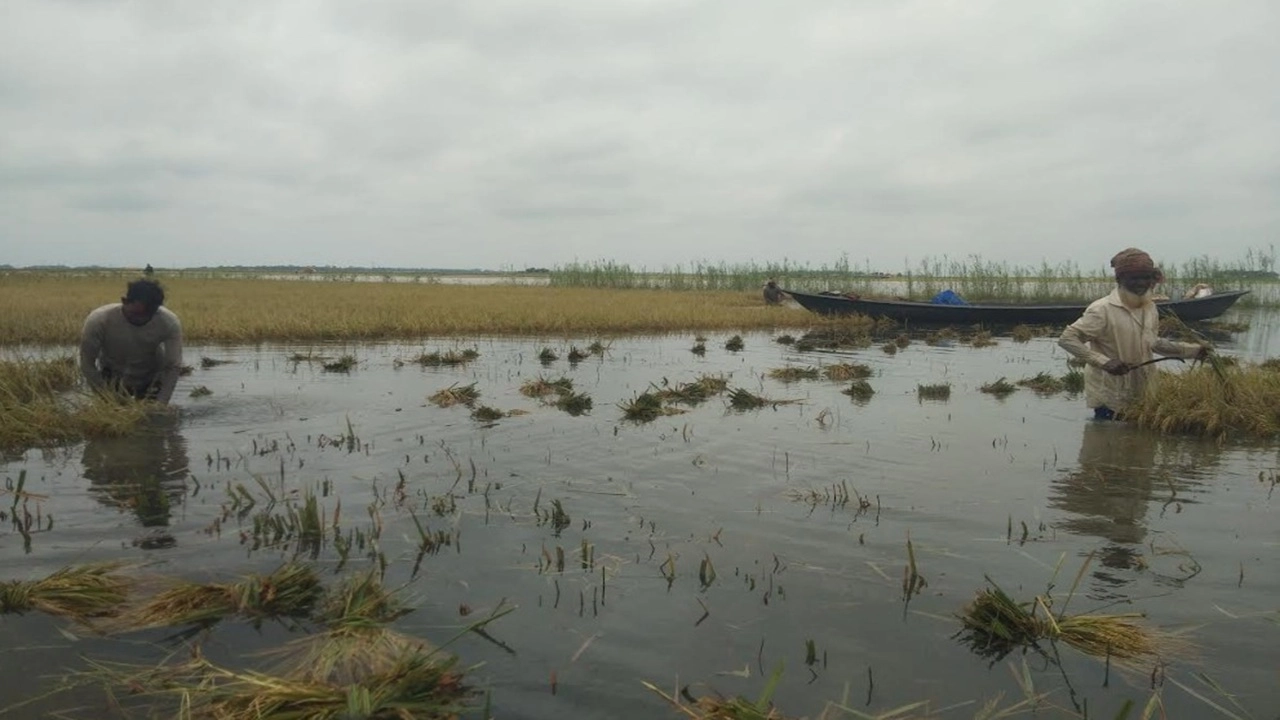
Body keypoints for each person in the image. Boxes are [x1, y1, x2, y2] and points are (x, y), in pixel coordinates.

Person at [1058, 248, 1207, 420]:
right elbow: (1067, 339)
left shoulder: (1149, 307)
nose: (1141, 283)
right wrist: (1105, 362)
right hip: (1110, 393)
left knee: (1139, 443)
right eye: (1134, 278)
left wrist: (1194, 351)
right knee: (1107, 441)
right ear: (1119, 279)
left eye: (1146, 277)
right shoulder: (1102, 309)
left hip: (1144, 390)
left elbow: (1152, 343)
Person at [80, 278, 184, 404]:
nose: (141, 320)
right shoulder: (99, 320)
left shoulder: (169, 322)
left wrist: (161, 403)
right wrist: (107, 398)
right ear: (124, 301)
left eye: (148, 315)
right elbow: (87, 364)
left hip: (151, 379)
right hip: (112, 377)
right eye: (135, 314)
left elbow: (173, 366)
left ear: (157, 310)